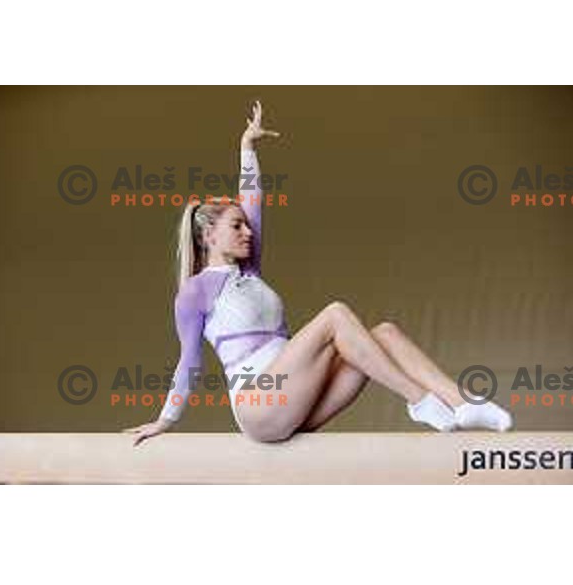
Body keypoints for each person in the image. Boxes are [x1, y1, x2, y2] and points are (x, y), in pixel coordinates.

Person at [124, 100, 513, 446]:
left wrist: (246, 149)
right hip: (260, 405)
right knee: (335, 314)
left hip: (300, 397)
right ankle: (420, 401)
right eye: (236, 226)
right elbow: (189, 362)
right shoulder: (195, 292)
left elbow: (254, 201)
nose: (246, 232)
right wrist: (165, 420)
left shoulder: (250, 272)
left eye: (246, 225)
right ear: (208, 235)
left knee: (385, 333)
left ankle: (463, 405)